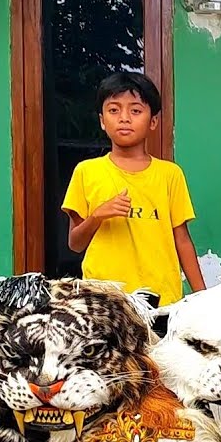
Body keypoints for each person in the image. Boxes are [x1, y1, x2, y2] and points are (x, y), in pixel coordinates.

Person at [63, 71, 206, 310]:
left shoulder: (170, 174)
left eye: (136, 110)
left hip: (161, 299)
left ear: (153, 122)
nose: (124, 118)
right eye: (114, 110)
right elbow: (75, 243)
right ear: (102, 120)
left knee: (158, 349)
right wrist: (98, 215)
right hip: (103, 300)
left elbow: (182, 240)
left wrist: (203, 299)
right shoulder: (86, 171)